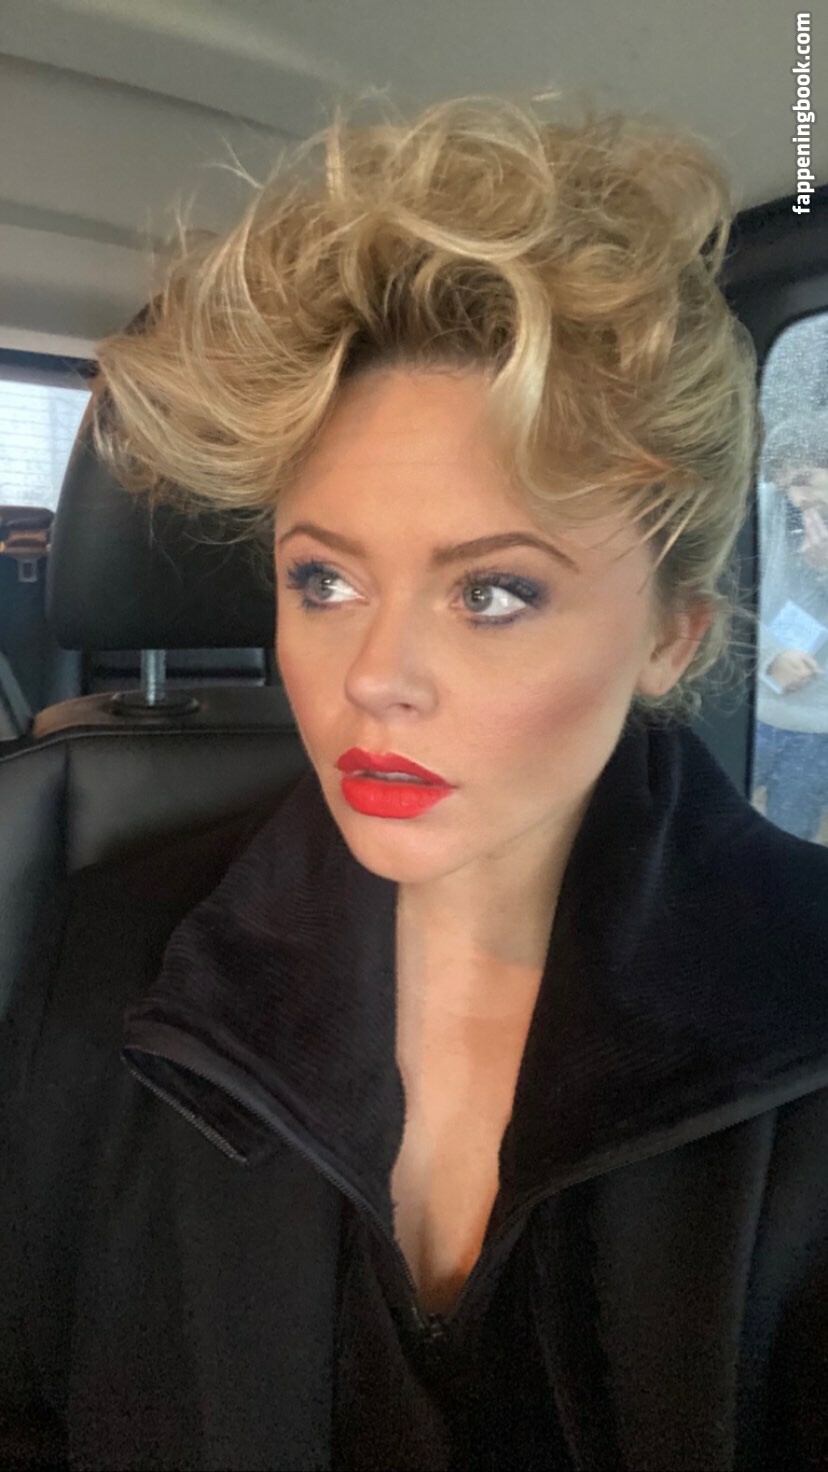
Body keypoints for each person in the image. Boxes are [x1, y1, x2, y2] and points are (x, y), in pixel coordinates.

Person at [2, 94, 828, 1472]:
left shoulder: (804, 1003)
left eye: (492, 591)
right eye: (323, 580)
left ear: (672, 637)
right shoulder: (112, 956)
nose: (374, 676)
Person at [752, 414, 828, 841]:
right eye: (787, 487)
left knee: (790, 846)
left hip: (819, 729)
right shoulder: (768, 506)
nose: (797, 499)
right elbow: (722, 593)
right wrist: (770, 655)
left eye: (805, 480)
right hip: (754, 707)